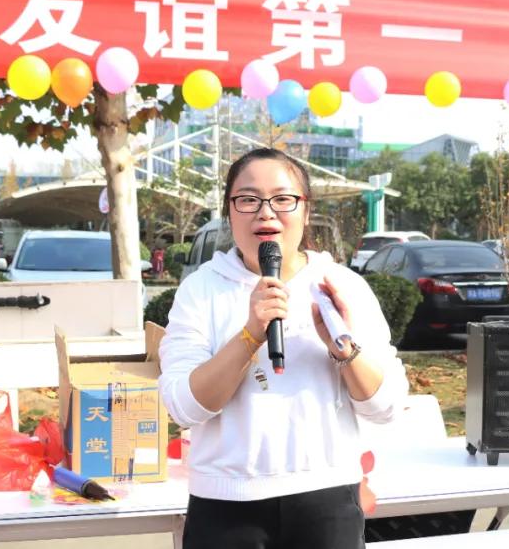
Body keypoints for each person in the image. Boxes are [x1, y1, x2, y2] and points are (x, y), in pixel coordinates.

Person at [159, 148, 409, 549]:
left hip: (326, 498)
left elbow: (387, 407)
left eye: (282, 199)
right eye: (248, 199)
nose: (266, 213)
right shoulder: (201, 290)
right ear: (229, 211)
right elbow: (183, 408)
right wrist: (249, 335)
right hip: (225, 505)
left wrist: (344, 349)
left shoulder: (341, 285)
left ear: (306, 210)